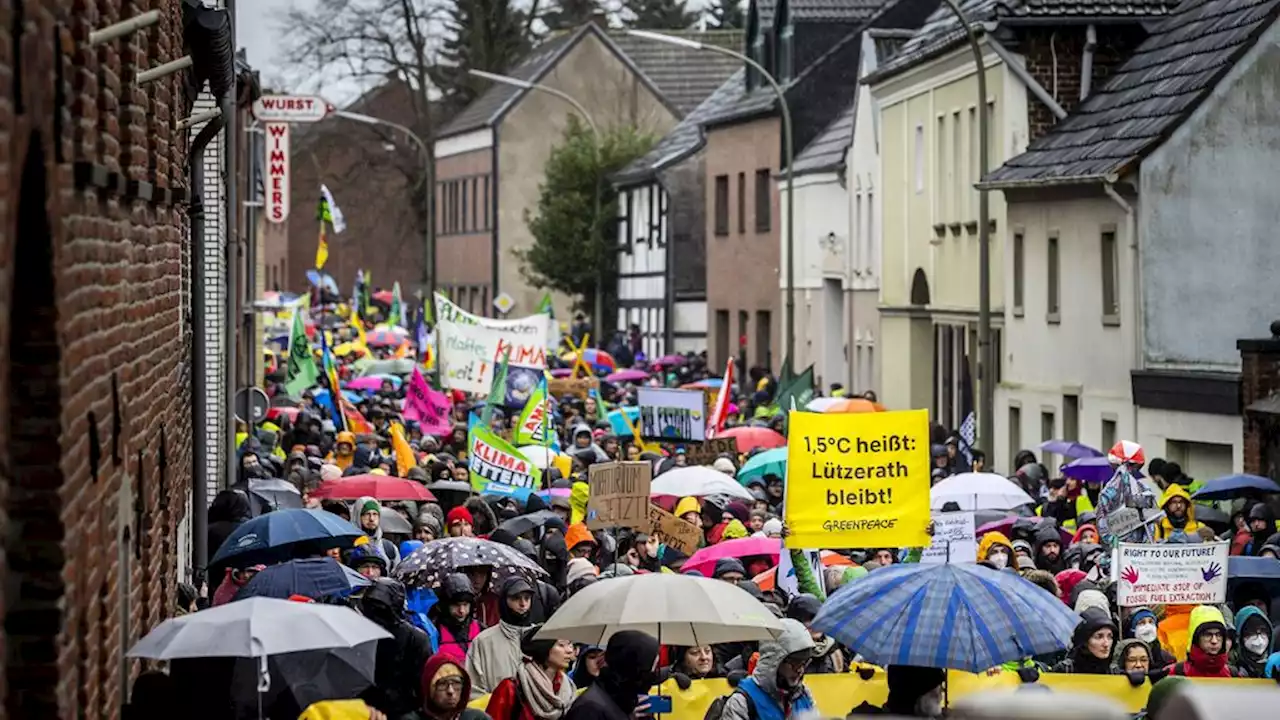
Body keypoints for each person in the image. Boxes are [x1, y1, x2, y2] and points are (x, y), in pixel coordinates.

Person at [361, 579, 434, 718]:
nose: (376, 615)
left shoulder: (415, 638)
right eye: (372, 608)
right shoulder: (361, 633)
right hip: (368, 710)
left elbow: (423, 684)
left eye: (381, 609)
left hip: (406, 710)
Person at [720, 618, 816, 720]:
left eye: (804, 663)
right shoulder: (742, 701)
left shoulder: (803, 694)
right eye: (794, 664)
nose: (800, 670)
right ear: (774, 660)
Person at [563, 630, 660, 720]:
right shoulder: (588, 709)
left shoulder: (627, 699)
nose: (653, 674)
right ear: (634, 668)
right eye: (651, 668)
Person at [467, 576, 538, 698]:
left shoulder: (541, 638)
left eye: (527, 598)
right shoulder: (483, 642)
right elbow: (473, 688)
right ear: (504, 601)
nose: (523, 604)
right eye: (516, 598)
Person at [485, 627, 577, 720]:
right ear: (544, 647)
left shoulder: (567, 688)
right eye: (561, 645)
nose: (569, 651)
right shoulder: (511, 688)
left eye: (570, 644)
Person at [399, 653, 492, 720]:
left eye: (456, 683)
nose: (450, 691)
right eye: (442, 684)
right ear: (429, 689)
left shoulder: (477, 718)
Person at [1166, 605, 1233, 677]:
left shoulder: (1233, 674)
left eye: (1219, 635)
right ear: (1196, 638)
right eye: (1208, 635)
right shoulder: (1175, 673)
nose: (1214, 641)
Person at [435, 573, 483, 665]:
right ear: (446, 605)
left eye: (465, 605)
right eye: (456, 605)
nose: (461, 611)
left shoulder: (481, 629)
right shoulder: (435, 631)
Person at [1052, 607, 1117, 674]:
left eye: (1109, 637)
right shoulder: (1065, 670)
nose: (1106, 644)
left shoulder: (1114, 672)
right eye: (1099, 637)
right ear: (1085, 641)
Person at [1233, 605, 1274, 678]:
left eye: (1263, 632)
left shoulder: (1276, 665)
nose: (1259, 639)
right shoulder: (1232, 669)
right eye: (1251, 633)